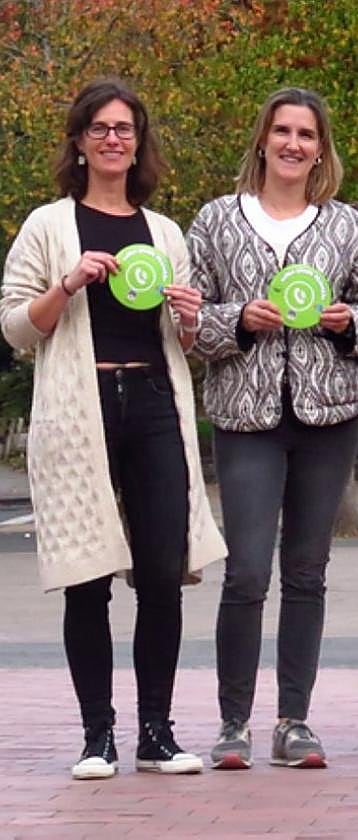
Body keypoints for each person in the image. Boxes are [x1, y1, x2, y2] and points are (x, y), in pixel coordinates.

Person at [0, 79, 226, 780]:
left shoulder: (163, 233)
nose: (112, 139)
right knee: (87, 574)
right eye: (99, 128)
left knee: (161, 572)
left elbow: (184, 343)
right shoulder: (48, 225)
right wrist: (65, 285)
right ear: (78, 141)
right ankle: (96, 735)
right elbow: (15, 329)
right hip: (80, 404)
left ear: (139, 143)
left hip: (154, 401)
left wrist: (189, 315)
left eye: (125, 129)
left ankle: (157, 733)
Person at [187, 87, 358, 770]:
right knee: (246, 571)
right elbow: (186, 321)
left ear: (321, 148)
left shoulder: (346, 227)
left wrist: (348, 323)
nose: (294, 144)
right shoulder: (216, 221)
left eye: (307, 134)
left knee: (307, 570)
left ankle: (294, 720)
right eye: (283, 132)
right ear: (263, 140)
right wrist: (238, 320)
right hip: (246, 418)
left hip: (329, 416)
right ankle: (232, 724)